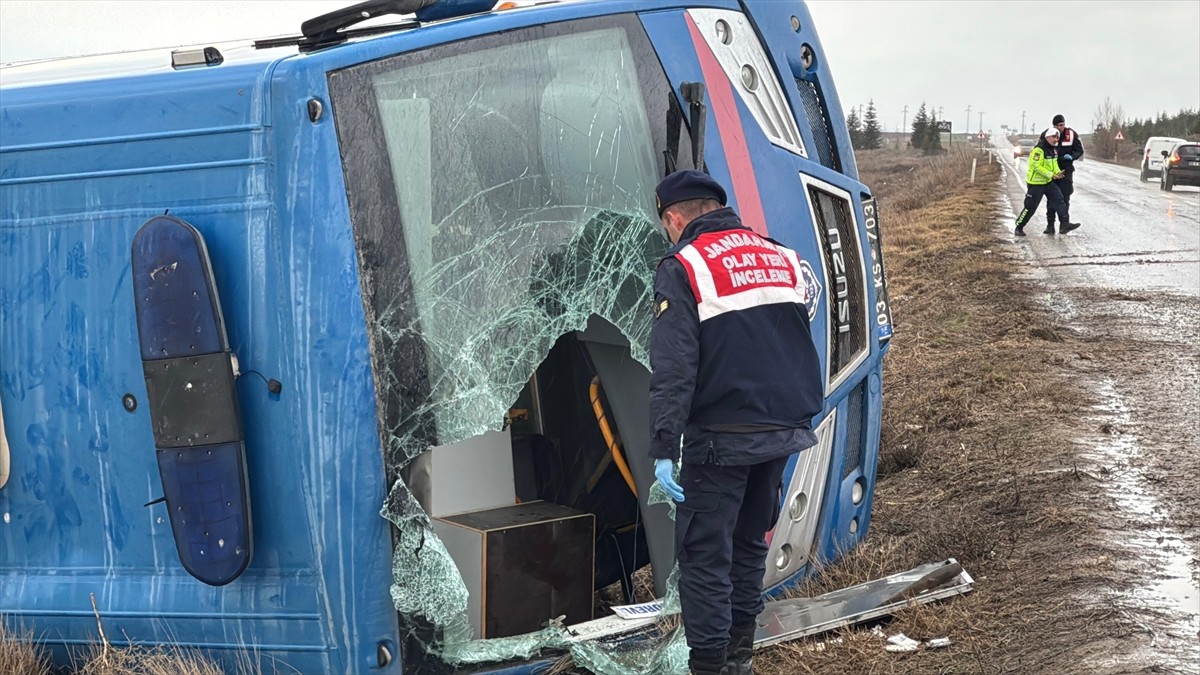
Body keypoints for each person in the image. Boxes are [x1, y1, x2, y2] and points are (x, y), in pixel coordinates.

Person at [647, 170, 823, 675]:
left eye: (666, 225)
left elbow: (674, 365)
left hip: (721, 438)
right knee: (748, 545)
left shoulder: (684, 264)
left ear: (674, 218)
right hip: (782, 429)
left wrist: (663, 445)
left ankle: (708, 666)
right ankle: (739, 659)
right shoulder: (780, 255)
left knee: (705, 557)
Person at [1015, 129, 1079, 236]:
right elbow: (1036, 166)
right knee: (1030, 207)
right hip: (1035, 184)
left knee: (1060, 200)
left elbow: (1054, 165)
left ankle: (1065, 224)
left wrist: (1058, 173)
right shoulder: (1038, 150)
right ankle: (1019, 226)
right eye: (1054, 137)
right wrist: (1051, 174)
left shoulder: (1053, 150)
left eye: (1057, 138)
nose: (1056, 140)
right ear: (1047, 137)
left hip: (1048, 183)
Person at [1044, 114, 1085, 233]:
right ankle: (1050, 226)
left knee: (1065, 198)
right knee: (1051, 199)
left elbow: (1079, 150)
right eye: (1058, 125)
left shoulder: (1071, 134)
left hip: (1066, 171)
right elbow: (1041, 148)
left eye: (1062, 125)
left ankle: (1064, 225)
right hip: (1052, 172)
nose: (1060, 128)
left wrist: (1072, 157)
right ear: (1054, 126)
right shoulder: (1047, 134)